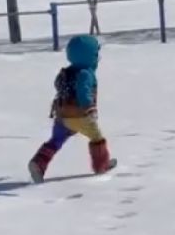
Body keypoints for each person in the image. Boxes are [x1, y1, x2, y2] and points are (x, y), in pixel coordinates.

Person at [29, 34, 116, 182]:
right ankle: (101, 165)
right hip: (80, 115)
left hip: (62, 115)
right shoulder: (85, 74)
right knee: (97, 138)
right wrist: (89, 108)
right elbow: (83, 91)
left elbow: (58, 85)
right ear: (88, 56)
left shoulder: (66, 72)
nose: (97, 57)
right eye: (95, 54)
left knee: (56, 141)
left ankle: (38, 163)